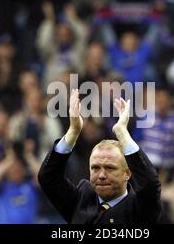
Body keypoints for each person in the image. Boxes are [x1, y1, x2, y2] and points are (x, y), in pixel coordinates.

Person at [38, 89, 163, 224]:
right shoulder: (81, 200)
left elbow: (150, 183)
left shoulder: (140, 207)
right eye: (95, 168)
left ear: (127, 174)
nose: (101, 175)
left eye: (110, 168)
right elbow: (48, 177)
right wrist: (73, 131)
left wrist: (122, 132)